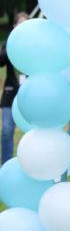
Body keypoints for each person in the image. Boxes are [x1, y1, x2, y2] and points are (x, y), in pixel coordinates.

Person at [0, 12, 27, 164]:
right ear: (14, 26)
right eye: (20, 23)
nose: (22, 26)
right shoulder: (9, 43)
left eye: (25, 23)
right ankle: (6, 164)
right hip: (10, 95)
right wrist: (10, 44)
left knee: (33, 133)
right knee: (6, 131)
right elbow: (1, 61)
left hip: (29, 97)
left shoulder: (35, 45)